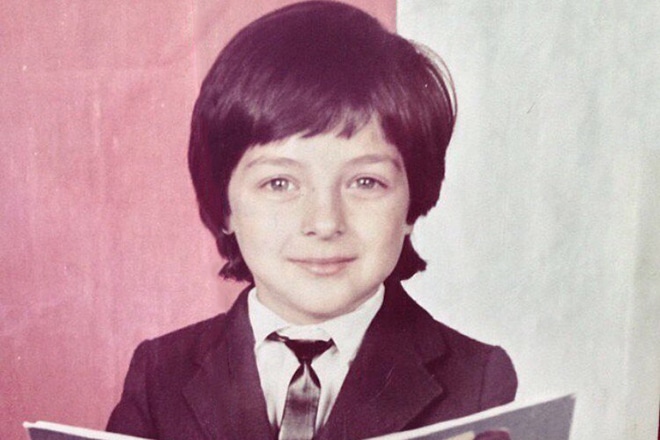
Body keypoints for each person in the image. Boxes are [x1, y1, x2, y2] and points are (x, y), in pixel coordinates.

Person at [106, 2, 517, 439]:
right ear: (225, 207)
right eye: (279, 183)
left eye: (365, 182)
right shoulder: (159, 375)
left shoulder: (476, 381)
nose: (324, 223)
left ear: (412, 203)